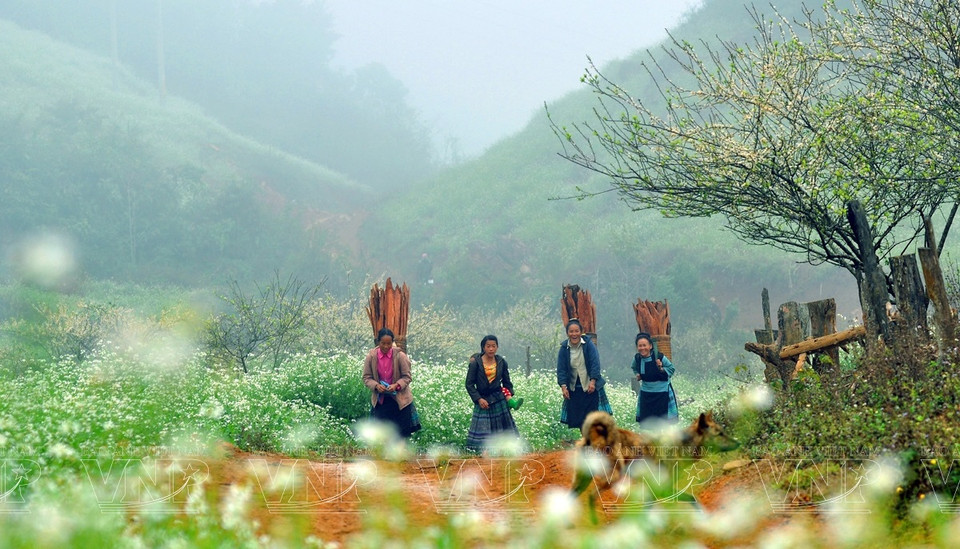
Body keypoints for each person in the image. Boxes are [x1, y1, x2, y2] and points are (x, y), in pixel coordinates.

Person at [362, 328, 421, 437]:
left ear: (392, 342)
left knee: (401, 435)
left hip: (400, 401)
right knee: (381, 435)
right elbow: (367, 377)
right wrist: (376, 386)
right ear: (378, 342)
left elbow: (407, 377)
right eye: (383, 343)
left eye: (389, 343)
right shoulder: (371, 357)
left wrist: (397, 385)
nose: (386, 346)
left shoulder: (400, 356)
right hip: (381, 401)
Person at [465, 335, 520, 452]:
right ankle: (483, 454)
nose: (491, 349)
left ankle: (503, 452)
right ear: (483, 347)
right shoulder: (476, 363)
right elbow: (469, 384)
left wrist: (509, 398)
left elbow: (507, 382)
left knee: (502, 430)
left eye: (493, 346)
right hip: (483, 400)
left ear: (497, 347)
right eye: (488, 346)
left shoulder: (501, 362)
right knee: (483, 431)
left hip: (498, 399)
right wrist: (479, 399)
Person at [557, 319, 612, 430]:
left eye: (576, 331)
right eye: (571, 331)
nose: (574, 334)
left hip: (590, 388)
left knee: (593, 420)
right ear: (567, 333)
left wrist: (593, 381)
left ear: (581, 332)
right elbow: (561, 369)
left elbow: (595, 363)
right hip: (574, 389)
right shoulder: (564, 348)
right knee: (580, 421)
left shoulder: (588, 345)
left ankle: (595, 439)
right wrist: (563, 386)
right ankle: (587, 439)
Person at [632, 332, 679, 425]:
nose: (642, 348)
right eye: (640, 346)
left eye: (644, 345)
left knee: (663, 423)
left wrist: (661, 367)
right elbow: (634, 368)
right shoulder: (637, 358)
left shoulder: (659, 357)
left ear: (650, 346)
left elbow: (671, 369)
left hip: (662, 393)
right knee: (647, 423)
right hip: (646, 393)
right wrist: (637, 374)